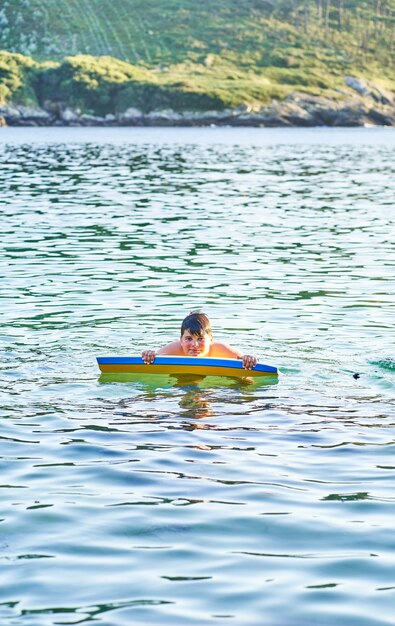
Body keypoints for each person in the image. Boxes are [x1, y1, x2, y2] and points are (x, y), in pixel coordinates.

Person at [141, 311, 257, 370]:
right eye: (188, 339)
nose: (194, 345)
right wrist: (149, 354)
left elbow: (245, 359)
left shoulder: (220, 349)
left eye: (200, 339)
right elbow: (153, 357)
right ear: (181, 340)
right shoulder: (175, 349)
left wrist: (249, 359)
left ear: (211, 340)